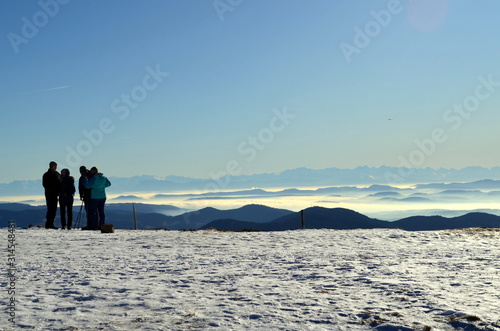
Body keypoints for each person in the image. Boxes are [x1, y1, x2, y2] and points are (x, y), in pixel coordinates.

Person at [42, 161, 61, 229]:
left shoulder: (56, 174)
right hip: (50, 195)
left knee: (53, 209)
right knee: (51, 209)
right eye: (54, 166)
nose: (56, 167)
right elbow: (45, 185)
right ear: (51, 166)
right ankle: (49, 224)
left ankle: (51, 224)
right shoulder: (47, 175)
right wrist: (54, 190)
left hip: (54, 194)